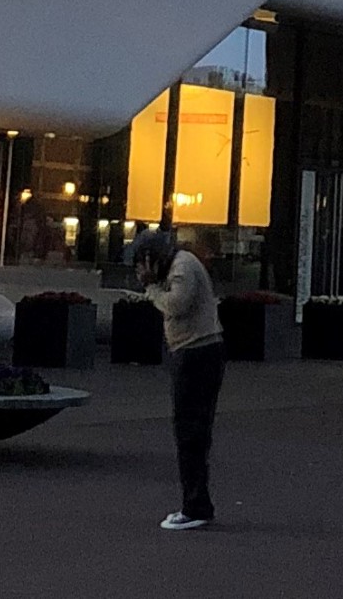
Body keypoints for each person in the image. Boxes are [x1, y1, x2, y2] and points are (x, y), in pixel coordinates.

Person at [146, 224, 225, 531]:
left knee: (189, 429)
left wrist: (152, 287)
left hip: (197, 353)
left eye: (142, 263)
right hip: (196, 352)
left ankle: (194, 506)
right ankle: (196, 503)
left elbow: (176, 305)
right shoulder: (182, 265)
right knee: (192, 430)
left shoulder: (181, 268)